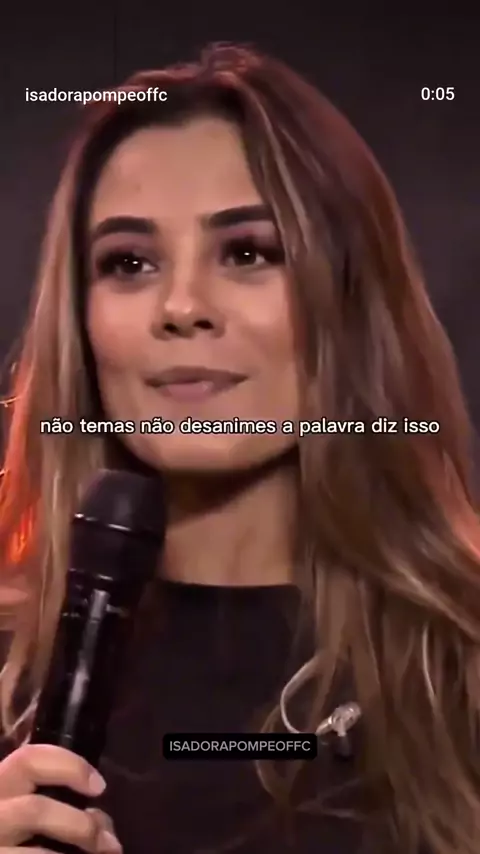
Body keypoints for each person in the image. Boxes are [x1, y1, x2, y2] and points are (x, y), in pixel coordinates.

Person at [0, 41, 479, 854]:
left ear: (347, 301)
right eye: (129, 262)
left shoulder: (460, 665)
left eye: (248, 251)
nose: (182, 306)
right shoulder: (12, 667)